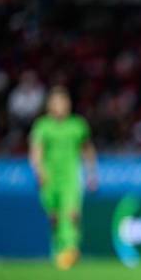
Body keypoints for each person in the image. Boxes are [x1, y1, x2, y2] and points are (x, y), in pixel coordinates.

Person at [29, 86, 97, 270]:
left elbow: (87, 149)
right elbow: (36, 152)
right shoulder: (42, 126)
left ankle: (70, 250)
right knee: (55, 217)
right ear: (50, 105)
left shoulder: (77, 125)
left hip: (71, 177)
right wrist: (39, 171)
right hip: (50, 179)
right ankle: (58, 250)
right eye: (56, 102)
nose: (60, 106)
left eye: (63, 102)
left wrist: (91, 173)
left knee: (71, 214)